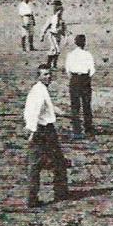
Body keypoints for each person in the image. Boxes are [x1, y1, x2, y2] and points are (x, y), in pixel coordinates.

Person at [23, 64, 69, 207]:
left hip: (44, 129)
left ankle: (56, 193)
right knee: (40, 164)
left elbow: (45, 107)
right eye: (45, 74)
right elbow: (33, 112)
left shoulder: (40, 89)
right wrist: (32, 131)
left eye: (49, 74)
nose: (48, 77)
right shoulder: (38, 91)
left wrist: (58, 111)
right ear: (38, 77)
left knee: (53, 162)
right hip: (42, 130)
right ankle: (39, 197)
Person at [65, 34, 96, 137]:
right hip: (84, 79)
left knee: (75, 106)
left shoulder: (70, 55)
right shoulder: (87, 54)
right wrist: (86, 79)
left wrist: (74, 79)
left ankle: (76, 129)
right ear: (84, 43)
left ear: (75, 42)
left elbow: (67, 70)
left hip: (74, 79)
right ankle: (88, 128)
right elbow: (92, 70)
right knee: (86, 105)